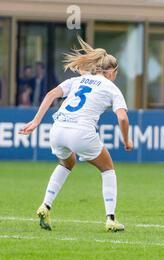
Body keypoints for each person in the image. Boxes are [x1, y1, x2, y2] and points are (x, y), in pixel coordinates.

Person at [19, 36, 133, 232]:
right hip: (81, 132)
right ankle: (111, 218)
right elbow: (122, 118)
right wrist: (126, 140)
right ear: (112, 72)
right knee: (107, 169)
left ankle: (45, 205)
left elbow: (50, 95)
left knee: (67, 163)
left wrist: (36, 122)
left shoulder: (78, 80)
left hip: (58, 129)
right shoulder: (112, 88)